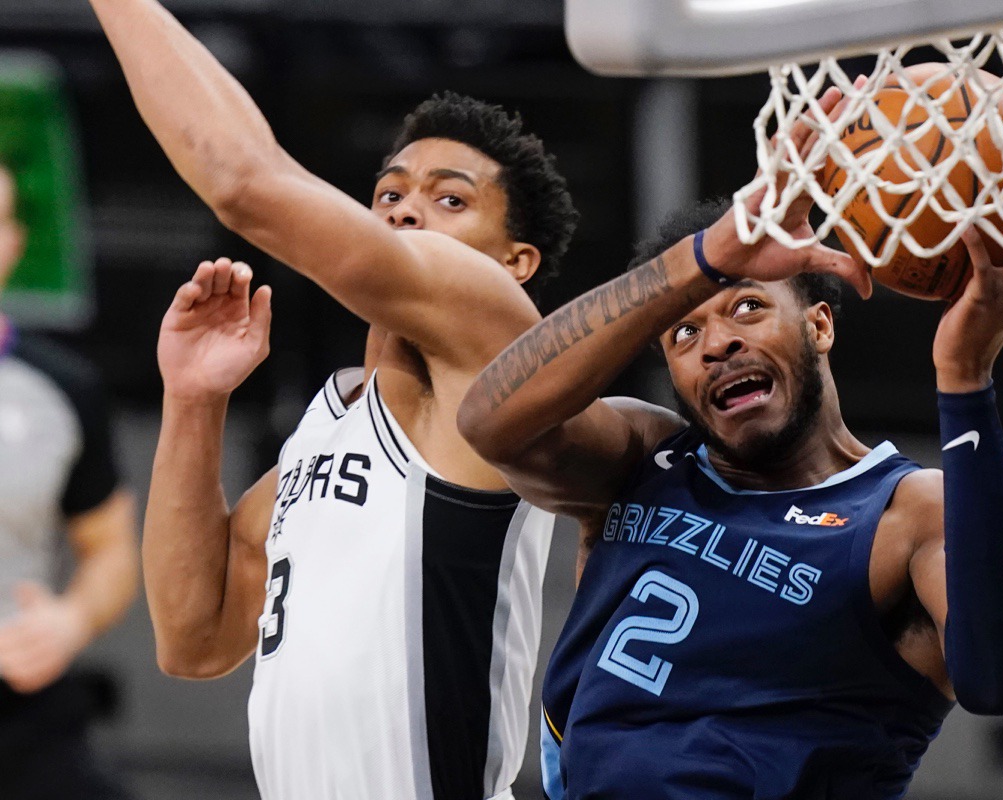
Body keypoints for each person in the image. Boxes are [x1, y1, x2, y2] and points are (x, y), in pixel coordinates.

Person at [457, 87, 1003, 798]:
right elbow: (489, 420)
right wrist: (706, 258)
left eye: (748, 305)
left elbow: (1001, 679)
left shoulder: (906, 515)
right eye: (685, 332)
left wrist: (966, 377)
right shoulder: (643, 459)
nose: (717, 343)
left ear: (820, 327)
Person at [86, 1, 577, 798]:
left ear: (515, 261)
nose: (405, 208)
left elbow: (245, 183)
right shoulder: (331, 422)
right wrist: (194, 399)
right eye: (388, 194)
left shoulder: (498, 344)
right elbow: (193, 636)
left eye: (451, 200)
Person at [0, 164, 139, 798]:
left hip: (20, 711)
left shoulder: (62, 388)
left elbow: (110, 548)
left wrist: (70, 620)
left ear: (14, 242)